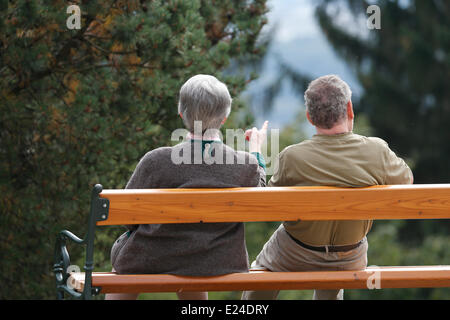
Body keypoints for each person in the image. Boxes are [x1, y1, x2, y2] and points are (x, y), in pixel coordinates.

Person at [242, 74, 413, 300]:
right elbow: (407, 181)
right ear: (349, 109)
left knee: (261, 269)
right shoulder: (376, 151)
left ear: (310, 117)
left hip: (296, 251)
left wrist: (255, 150)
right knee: (339, 261)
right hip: (350, 256)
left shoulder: (293, 157)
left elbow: (266, 205)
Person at [106, 74, 268, 300]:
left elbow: (127, 218)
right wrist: (257, 150)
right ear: (224, 118)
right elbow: (261, 195)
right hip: (216, 260)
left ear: (181, 113)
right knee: (194, 254)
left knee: (126, 264)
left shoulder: (155, 160)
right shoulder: (244, 164)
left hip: (153, 256)